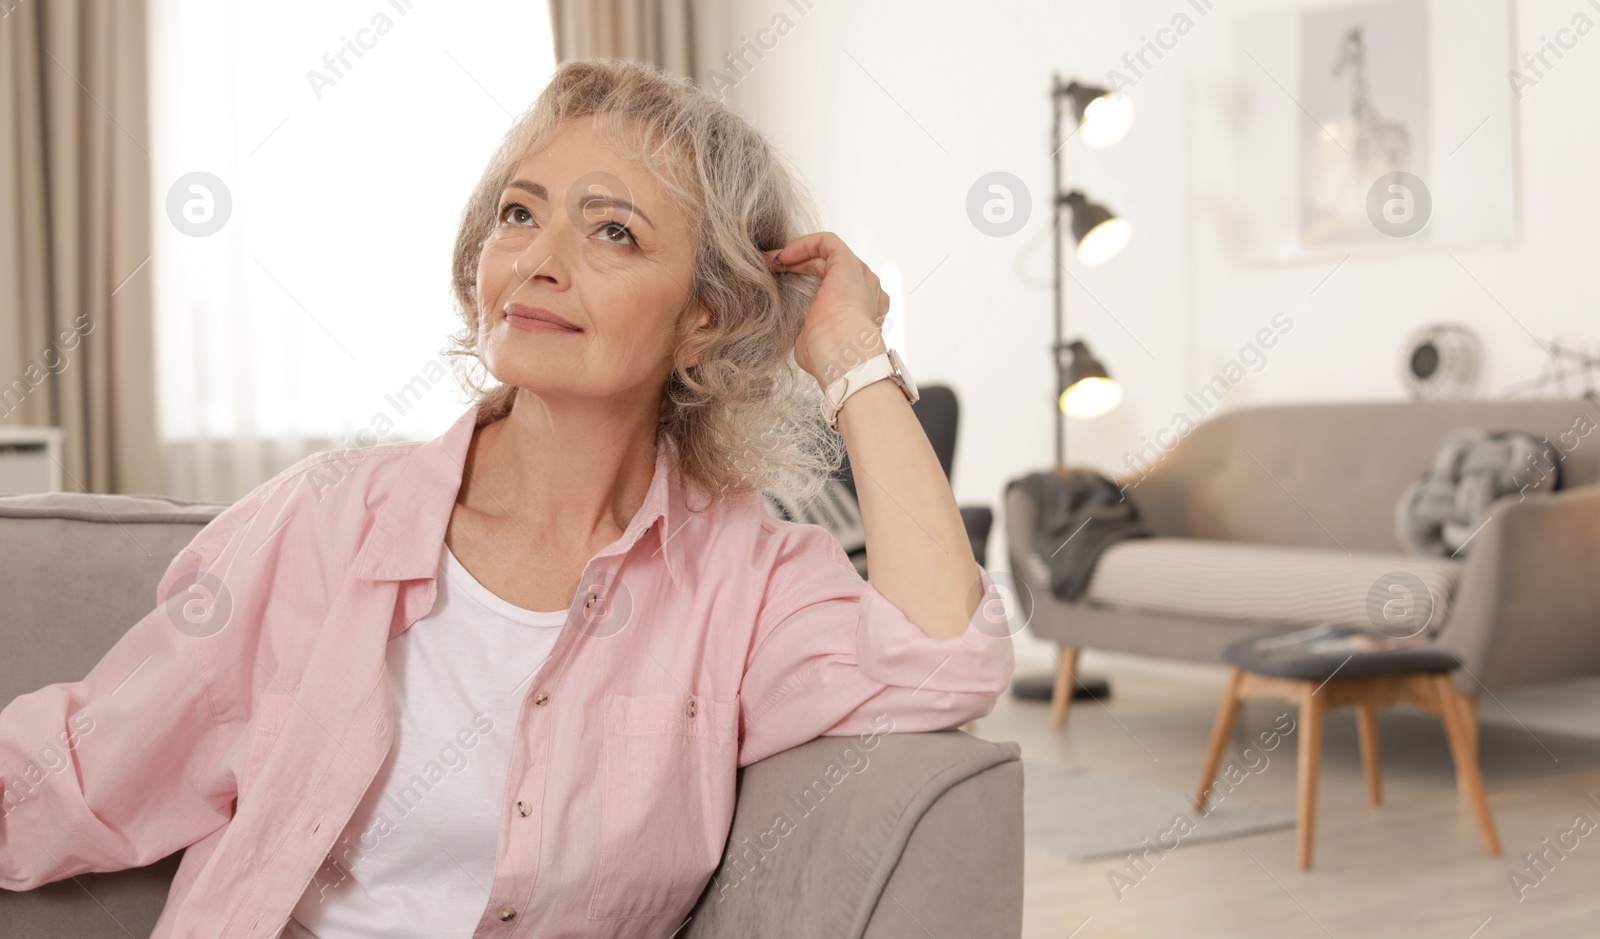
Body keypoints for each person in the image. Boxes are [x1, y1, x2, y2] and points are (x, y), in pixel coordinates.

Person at [0, 58, 1014, 938]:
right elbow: (87, 764)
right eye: (518, 213)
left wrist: (851, 355)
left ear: (703, 317)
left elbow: (943, 655)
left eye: (611, 231)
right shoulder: (325, 520)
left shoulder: (741, 578)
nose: (536, 259)